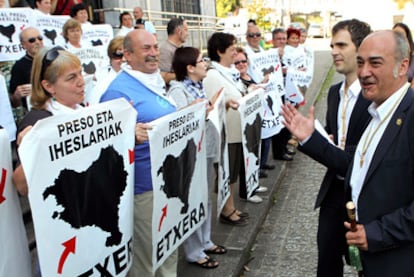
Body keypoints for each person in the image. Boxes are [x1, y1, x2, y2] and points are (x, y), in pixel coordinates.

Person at [281, 19, 372, 277]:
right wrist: (324, 140)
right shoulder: (333, 93)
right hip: (334, 192)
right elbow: (337, 146)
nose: (333, 51)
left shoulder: (374, 97)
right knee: (327, 264)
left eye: (341, 44)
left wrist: (311, 140)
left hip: (366, 197)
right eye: (332, 45)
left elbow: (356, 162)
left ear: (361, 48)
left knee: (366, 266)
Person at [100, 29, 177, 276]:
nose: (154, 53)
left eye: (155, 47)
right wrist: (128, 135)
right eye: (146, 48)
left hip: (166, 182)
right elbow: (105, 147)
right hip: (144, 189)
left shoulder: (153, 81)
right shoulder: (117, 92)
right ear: (128, 55)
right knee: (148, 259)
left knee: (168, 248)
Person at [168, 46, 228, 269]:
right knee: (194, 199)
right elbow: (178, 123)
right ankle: (194, 252)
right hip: (192, 154)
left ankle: (205, 240)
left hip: (206, 148)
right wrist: (195, 110)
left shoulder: (197, 85)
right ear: (190, 67)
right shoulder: (178, 90)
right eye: (201, 61)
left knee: (205, 197)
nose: (205, 64)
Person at [13, 46, 85, 196]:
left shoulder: (81, 108)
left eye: (80, 73)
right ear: (48, 86)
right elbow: (21, 187)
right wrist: (32, 148)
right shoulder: (38, 121)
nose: (81, 82)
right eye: (71, 78)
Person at [203, 32, 249, 224]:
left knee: (233, 171)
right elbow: (214, 104)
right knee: (226, 172)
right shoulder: (212, 75)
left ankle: (230, 206)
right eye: (231, 49)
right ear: (220, 51)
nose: (234, 53)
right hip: (226, 134)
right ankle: (226, 209)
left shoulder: (227, 73)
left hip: (236, 132)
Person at [234, 47, 274, 184]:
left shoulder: (250, 76)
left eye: (243, 61)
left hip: (260, 117)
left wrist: (263, 83)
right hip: (247, 123)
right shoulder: (236, 81)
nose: (241, 64)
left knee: (265, 141)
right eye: (237, 62)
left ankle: (260, 166)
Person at [270, 27, 294, 162]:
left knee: (288, 120)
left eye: (284, 38)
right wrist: (282, 72)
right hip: (276, 93)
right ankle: (278, 152)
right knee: (279, 122)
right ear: (273, 40)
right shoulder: (269, 55)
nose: (282, 41)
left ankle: (285, 147)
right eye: (279, 39)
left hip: (289, 91)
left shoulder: (289, 53)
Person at [10, 27, 44, 112]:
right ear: (23, 45)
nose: (37, 42)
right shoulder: (19, 66)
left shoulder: (54, 59)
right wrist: (17, 96)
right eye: (32, 40)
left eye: (40, 38)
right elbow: (14, 103)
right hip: (37, 112)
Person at [88, 36, 124, 105]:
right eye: (118, 55)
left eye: (127, 55)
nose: (123, 59)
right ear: (110, 57)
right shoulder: (99, 76)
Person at [159, 17, 188, 85]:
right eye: (186, 30)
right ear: (179, 31)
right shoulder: (165, 50)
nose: (187, 34)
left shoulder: (179, 48)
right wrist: (188, 73)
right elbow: (163, 76)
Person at [392, 22, 414, 86]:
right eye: (395, 34)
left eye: (400, 35)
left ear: (407, 38)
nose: (397, 37)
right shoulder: (388, 56)